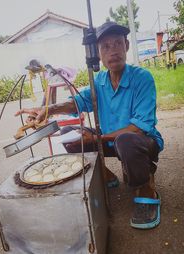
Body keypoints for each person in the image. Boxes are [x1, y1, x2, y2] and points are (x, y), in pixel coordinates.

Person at [15, 21, 164, 229]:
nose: (113, 51)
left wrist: (96, 138)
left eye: (118, 44)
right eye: (106, 47)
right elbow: (77, 102)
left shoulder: (142, 78)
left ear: (127, 46)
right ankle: (106, 175)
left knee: (127, 140)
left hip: (139, 143)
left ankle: (147, 190)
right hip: (109, 140)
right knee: (70, 133)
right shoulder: (99, 81)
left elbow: (139, 128)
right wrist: (48, 109)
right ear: (98, 54)